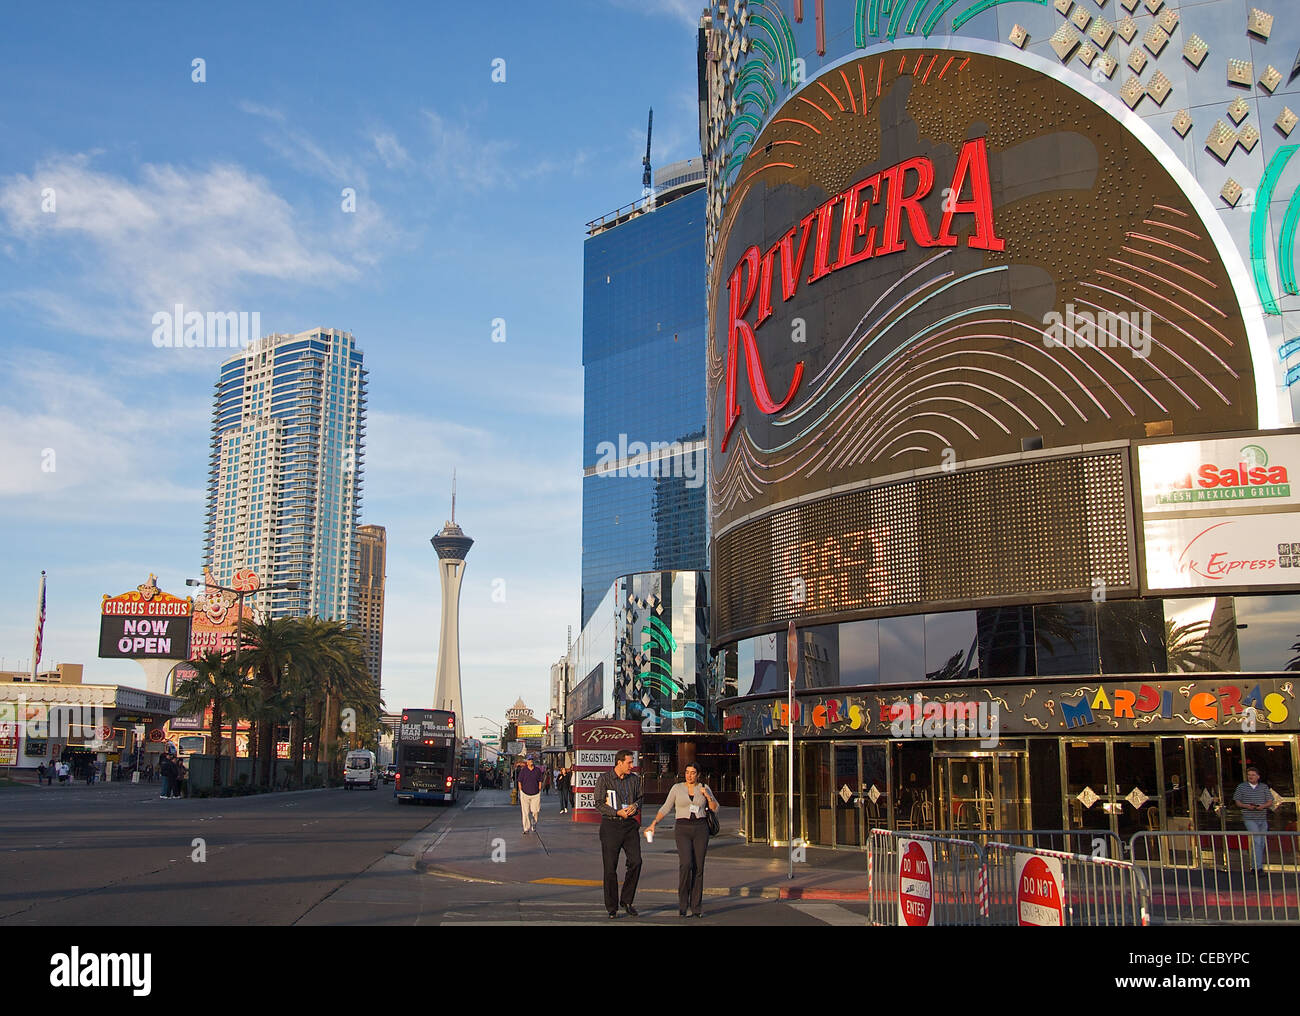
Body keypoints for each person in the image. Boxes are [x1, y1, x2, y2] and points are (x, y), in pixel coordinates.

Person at [648, 765, 720, 918]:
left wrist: (708, 796)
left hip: (700, 828)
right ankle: (682, 905)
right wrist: (654, 823)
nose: (689, 776)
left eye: (693, 773)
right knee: (686, 864)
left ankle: (696, 907)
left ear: (698, 775)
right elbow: (666, 807)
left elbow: (714, 808)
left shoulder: (704, 787)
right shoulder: (677, 788)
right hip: (682, 829)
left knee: (698, 867)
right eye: (687, 773)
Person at [593, 749, 643, 918]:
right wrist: (616, 812)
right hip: (611, 826)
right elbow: (598, 803)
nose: (632, 765)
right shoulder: (604, 779)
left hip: (629, 826)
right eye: (629, 762)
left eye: (632, 762)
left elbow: (640, 799)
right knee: (610, 868)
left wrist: (634, 807)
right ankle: (612, 907)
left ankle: (627, 900)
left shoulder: (635, 780)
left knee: (636, 861)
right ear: (619, 763)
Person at [1233, 765, 1275, 876]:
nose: (1250, 777)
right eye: (1249, 775)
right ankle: (1257, 868)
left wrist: (1263, 806)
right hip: (1249, 817)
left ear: (1258, 777)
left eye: (1253, 775)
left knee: (1261, 842)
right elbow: (1237, 801)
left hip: (1262, 817)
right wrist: (1247, 806)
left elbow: (1270, 801)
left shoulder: (1264, 787)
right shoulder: (1241, 787)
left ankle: (1255, 866)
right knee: (1256, 840)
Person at [515, 756, 546, 834]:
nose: (531, 761)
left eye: (532, 759)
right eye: (529, 760)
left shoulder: (537, 770)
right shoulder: (523, 770)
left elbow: (540, 780)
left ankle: (534, 824)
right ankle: (526, 828)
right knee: (525, 812)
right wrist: (520, 790)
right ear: (527, 762)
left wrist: (539, 788)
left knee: (535, 811)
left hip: (535, 793)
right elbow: (519, 781)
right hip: (525, 793)